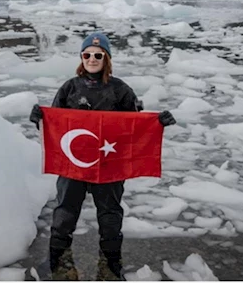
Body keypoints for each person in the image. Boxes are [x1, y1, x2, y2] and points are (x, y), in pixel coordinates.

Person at [29, 32, 176, 281]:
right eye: (87, 54)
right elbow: (55, 124)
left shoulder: (120, 90)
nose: (92, 59)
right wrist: (39, 119)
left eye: (98, 55)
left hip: (108, 165)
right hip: (73, 164)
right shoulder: (70, 88)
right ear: (82, 57)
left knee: (110, 216)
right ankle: (57, 260)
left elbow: (135, 126)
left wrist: (158, 122)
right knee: (65, 213)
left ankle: (110, 265)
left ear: (106, 58)